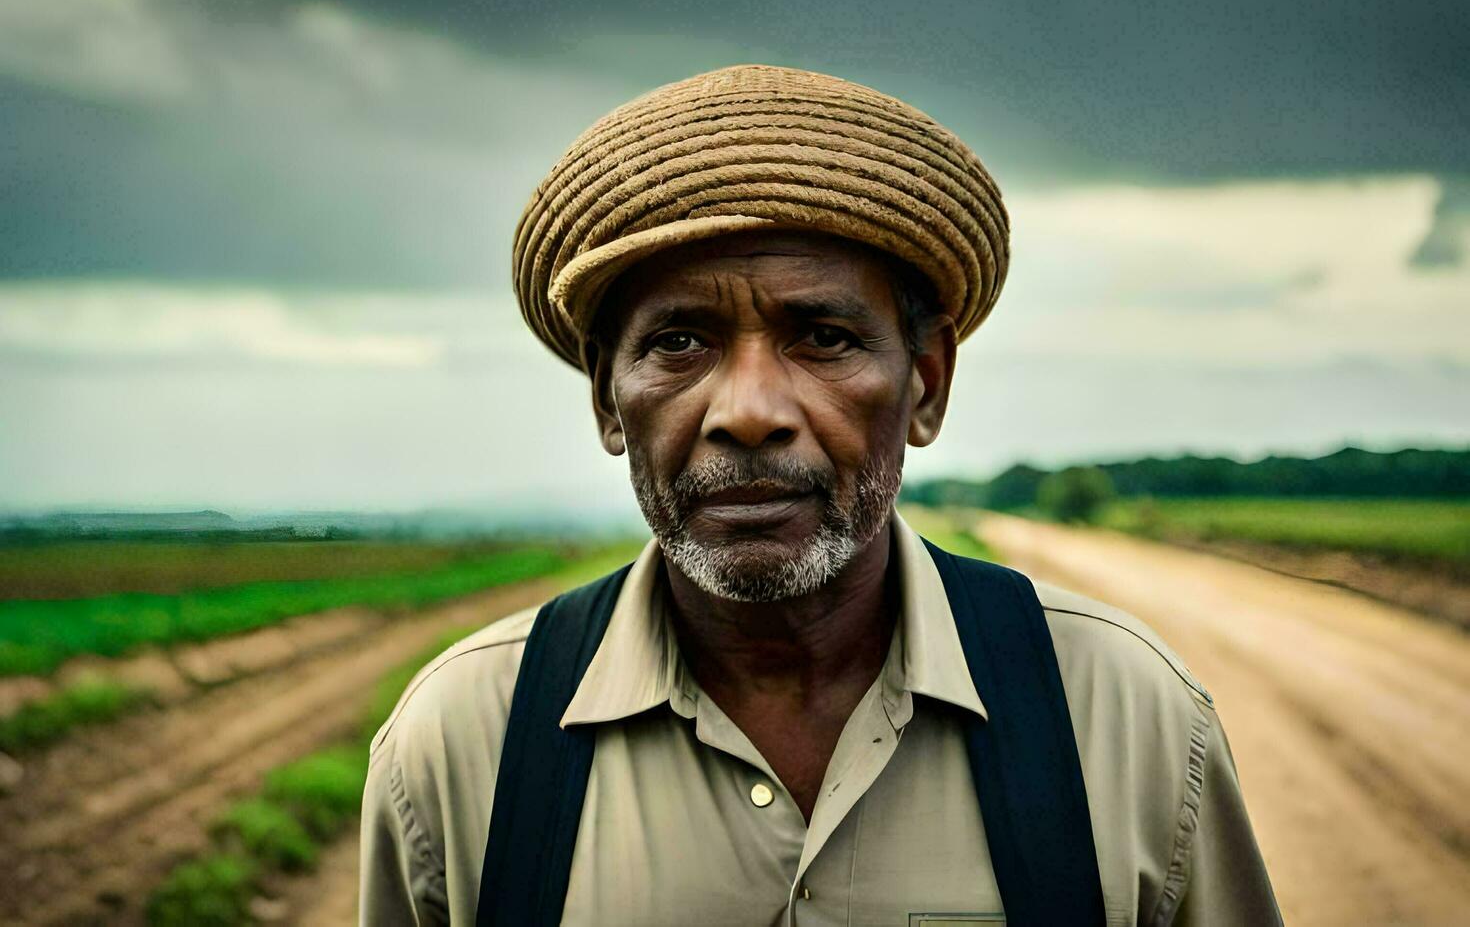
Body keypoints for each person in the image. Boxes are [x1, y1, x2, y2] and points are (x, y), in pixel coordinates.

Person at [359, 64, 1280, 926]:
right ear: (608, 398)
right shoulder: (461, 746)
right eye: (680, 342)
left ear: (924, 384)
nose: (750, 413)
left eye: (824, 336)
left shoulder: (1129, 720)